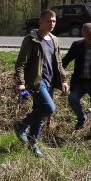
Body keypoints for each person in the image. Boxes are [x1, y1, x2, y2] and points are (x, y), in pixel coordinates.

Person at [13, 9, 69, 157]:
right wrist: (20, 83)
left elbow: (59, 63)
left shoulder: (55, 40)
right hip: (37, 81)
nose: (52, 24)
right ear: (40, 22)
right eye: (49, 21)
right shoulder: (31, 39)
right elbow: (20, 63)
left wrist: (63, 80)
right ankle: (21, 125)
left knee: (40, 112)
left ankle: (32, 145)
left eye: (54, 21)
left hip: (51, 81)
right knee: (49, 108)